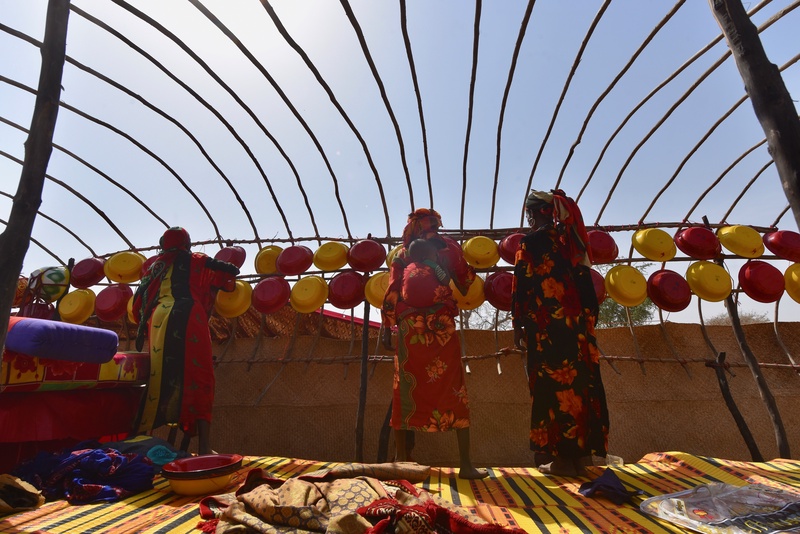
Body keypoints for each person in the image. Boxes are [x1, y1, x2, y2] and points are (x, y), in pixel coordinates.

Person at [382, 208, 487, 479]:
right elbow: (464, 285)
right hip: (441, 329)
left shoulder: (401, 255)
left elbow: (392, 290)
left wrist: (386, 327)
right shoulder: (449, 248)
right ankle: (465, 465)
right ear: (437, 225)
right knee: (453, 386)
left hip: (409, 330)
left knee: (404, 387)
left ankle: (401, 462)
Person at [511, 189, 609, 477]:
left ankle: (562, 461)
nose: (528, 219)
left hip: (547, 330)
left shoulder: (530, 243)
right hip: (577, 330)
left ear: (535, 213)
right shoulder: (572, 242)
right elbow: (587, 285)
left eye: (528, 214)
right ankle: (581, 457)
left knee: (552, 390)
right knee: (582, 385)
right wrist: (588, 323)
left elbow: (523, 286)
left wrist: (517, 325)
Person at [132, 227, 240, 455]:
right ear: (187, 243)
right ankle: (203, 447)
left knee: (159, 375)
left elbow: (138, 302)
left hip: (158, 319)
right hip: (188, 315)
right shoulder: (196, 260)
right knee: (199, 374)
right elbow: (229, 272)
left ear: (163, 243)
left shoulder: (154, 268)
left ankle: (141, 439)